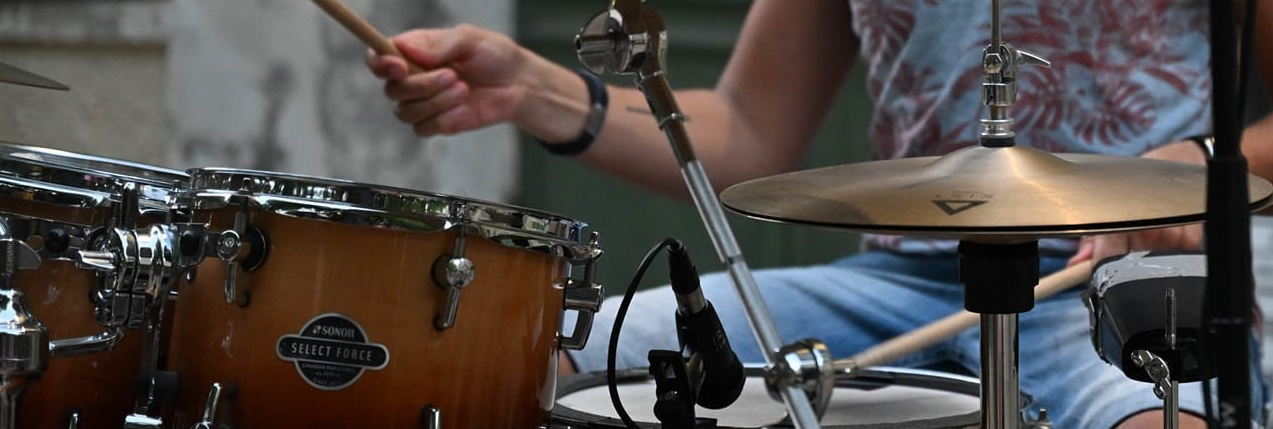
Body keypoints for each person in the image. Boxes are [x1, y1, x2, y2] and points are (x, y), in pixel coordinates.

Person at [366, 1, 1273, 428]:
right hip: (897, 278)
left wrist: (1197, 170)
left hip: (1111, 285)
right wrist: (536, 89)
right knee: (529, 349)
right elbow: (753, 128)